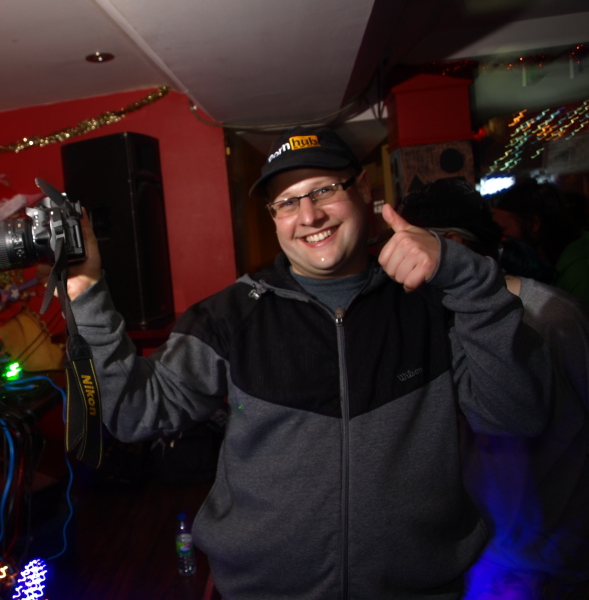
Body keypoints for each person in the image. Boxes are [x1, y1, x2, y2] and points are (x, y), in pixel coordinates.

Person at [62, 126, 552, 599]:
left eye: (324, 190)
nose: (309, 216)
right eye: (287, 202)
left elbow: (517, 414)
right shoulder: (229, 317)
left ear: (364, 188)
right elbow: (134, 413)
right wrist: (85, 292)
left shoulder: (431, 306)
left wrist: (469, 280)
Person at [399, 177, 589, 600]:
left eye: (407, 242)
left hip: (552, 563)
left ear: (449, 246)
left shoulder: (553, 317)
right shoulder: (436, 322)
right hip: (485, 563)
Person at [491, 179, 589, 305]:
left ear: (534, 223)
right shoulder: (561, 264)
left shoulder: (579, 274)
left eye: (503, 230)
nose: (502, 238)